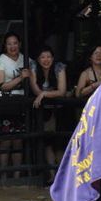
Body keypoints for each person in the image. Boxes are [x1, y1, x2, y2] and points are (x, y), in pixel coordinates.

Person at [0, 31, 30, 179]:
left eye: (15, 43)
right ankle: (3, 175)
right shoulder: (0, 61)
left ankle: (16, 175)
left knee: (18, 142)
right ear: (5, 46)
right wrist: (20, 78)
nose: (12, 46)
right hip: (7, 103)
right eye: (9, 44)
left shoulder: (26, 59)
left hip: (22, 103)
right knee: (6, 142)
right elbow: (1, 85)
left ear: (20, 44)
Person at [30, 46, 67, 184]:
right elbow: (35, 89)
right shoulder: (34, 67)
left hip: (59, 110)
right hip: (43, 111)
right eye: (42, 57)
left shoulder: (59, 67)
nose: (46, 60)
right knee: (47, 143)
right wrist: (41, 94)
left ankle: (63, 176)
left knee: (59, 144)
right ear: (38, 59)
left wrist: (44, 94)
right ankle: (52, 175)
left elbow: (62, 91)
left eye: (49, 57)